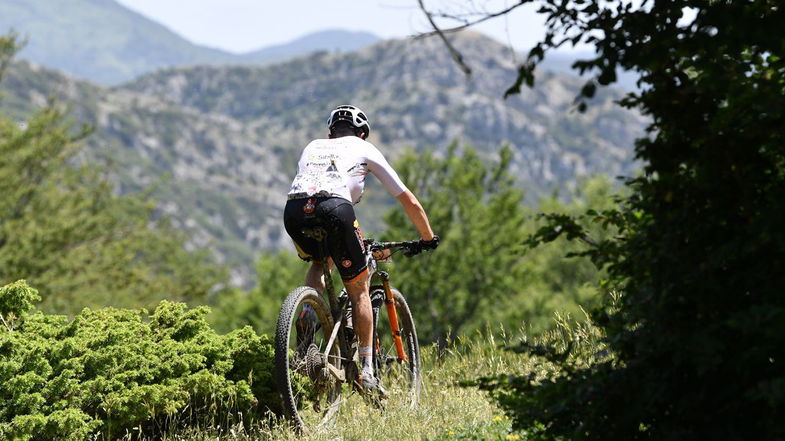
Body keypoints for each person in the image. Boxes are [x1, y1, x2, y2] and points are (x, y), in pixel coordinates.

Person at [283, 104, 439, 393]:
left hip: (294, 211)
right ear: (363, 134)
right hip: (336, 210)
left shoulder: (312, 147)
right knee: (359, 288)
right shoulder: (364, 148)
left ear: (331, 134)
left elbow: (317, 190)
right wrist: (427, 237)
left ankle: (306, 338)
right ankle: (367, 371)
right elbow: (409, 201)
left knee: (320, 263)